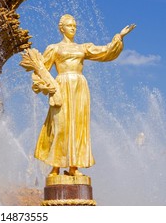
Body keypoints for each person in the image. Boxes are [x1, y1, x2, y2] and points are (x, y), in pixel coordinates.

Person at [30, 14, 135, 177]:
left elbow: (104, 52)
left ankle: (74, 167)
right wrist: (46, 86)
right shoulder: (54, 48)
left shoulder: (82, 48)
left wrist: (119, 37)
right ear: (62, 28)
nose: (73, 28)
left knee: (78, 127)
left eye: (75, 26)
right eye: (70, 25)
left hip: (80, 87)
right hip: (61, 87)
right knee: (60, 125)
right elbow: (41, 69)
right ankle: (55, 167)